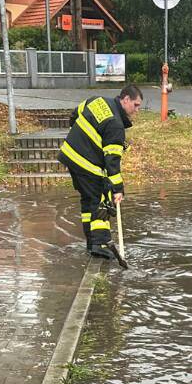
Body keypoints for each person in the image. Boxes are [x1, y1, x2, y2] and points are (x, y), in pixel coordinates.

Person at [58, 84, 143, 259]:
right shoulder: (116, 126)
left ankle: (91, 241)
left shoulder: (97, 101)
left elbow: (75, 113)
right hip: (85, 163)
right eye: (136, 105)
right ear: (125, 99)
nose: (137, 110)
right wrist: (118, 189)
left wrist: (78, 136)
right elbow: (112, 161)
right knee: (101, 199)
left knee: (88, 200)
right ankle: (99, 243)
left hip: (69, 155)